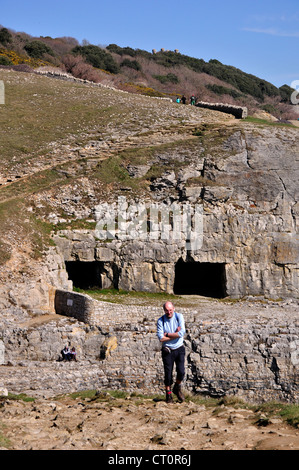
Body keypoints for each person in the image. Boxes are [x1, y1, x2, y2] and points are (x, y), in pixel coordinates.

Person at [157, 301, 186, 403]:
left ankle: (177, 388)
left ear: (174, 308)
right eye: (166, 310)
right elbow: (161, 338)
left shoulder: (179, 317)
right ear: (164, 310)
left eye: (170, 310)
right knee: (168, 374)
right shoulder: (161, 321)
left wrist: (168, 334)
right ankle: (168, 395)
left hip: (179, 348)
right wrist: (175, 334)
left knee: (181, 372)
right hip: (167, 350)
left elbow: (182, 333)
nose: (169, 312)